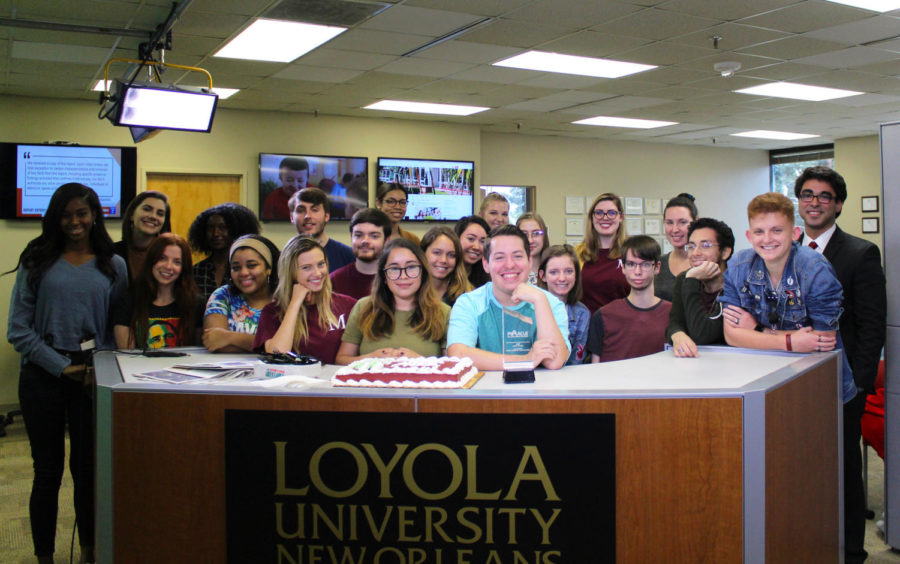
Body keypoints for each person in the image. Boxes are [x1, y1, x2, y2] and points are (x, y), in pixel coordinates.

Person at [7, 183, 128, 564]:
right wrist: (62, 367)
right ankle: (44, 556)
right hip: (43, 377)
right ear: (54, 218)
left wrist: (99, 367)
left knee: (87, 471)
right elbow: (18, 329)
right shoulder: (36, 259)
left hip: (92, 377)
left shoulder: (114, 264)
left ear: (95, 215)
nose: (74, 222)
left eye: (82, 213)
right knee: (47, 472)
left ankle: (90, 552)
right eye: (66, 214)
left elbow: (116, 326)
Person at [794, 166, 886, 564]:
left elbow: (870, 325)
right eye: (807, 195)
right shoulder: (784, 249)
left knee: (844, 466)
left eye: (824, 196)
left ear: (839, 205)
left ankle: (850, 549)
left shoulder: (860, 253)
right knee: (800, 463)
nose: (814, 202)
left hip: (842, 383)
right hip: (792, 380)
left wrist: (861, 385)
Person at [719, 193, 856, 402]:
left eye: (776, 230)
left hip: (818, 384)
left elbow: (821, 342)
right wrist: (790, 341)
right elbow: (732, 336)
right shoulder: (738, 266)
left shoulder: (815, 270)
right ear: (749, 236)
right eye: (759, 231)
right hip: (762, 380)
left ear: (794, 233)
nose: (767, 239)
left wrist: (758, 330)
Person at [447, 225, 570, 371]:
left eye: (517, 256)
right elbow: (458, 355)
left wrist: (539, 300)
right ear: (486, 264)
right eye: (499, 257)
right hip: (485, 392)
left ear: (530, 261)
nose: (510, 265)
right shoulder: (469, 303)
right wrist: (524, 361)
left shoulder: (550, 303)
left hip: (537, 391)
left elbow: (555, 362)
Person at [336, 238, 450, 363]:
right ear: (384, 276)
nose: (403, 276)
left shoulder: (443, 312)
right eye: (394, 269)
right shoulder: (364, 307)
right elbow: (341, 360)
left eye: (411, 267)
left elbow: (451, 366)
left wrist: (420, 362)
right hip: (371, 382)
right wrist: (370, 359)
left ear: (422, 272)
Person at [253, 236, 356, 364]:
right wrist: (295, 303)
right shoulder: (272, 312)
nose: (318, 273)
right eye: (306, 268)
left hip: (335, 381)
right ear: (290, 272)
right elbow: (279, 353)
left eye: (321, 264)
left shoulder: (349, 305)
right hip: (296, 381)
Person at [587, 235, 672, 362]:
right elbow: (595, 369)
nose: (638, 271)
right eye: (631, 264)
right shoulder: (603, 316)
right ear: (623, 267)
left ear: (657, 267)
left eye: (645, 264)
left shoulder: (673, 313)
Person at [114, 233, 203, 349]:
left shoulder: (196, 304)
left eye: (177, 262)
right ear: (151, 260)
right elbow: (126, 356)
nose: (168, 266)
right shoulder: (128, 301)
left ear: (184, 268)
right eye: (162, 258)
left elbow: (201, 354)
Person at [667, 218, 735, 358]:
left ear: (725, 252)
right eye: (691, 246)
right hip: (692, 362)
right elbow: (675, 322)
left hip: (728, 362)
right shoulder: (684, 279)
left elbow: (703, 335)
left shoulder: (735, 284)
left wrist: (691, 280)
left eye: (705, 245)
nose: (695, 253)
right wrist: (677, 334)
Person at [202, 235, 280, 353]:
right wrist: (266, 345)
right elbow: (214, 342)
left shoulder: (284, 298)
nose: (243, 273)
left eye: (252, 265)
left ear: (268, 267)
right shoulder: (223, 295)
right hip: (227, 370)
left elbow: (286, 347)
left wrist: (229, 337)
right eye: (236, 267)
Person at [188, 203, 260, 301]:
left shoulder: (246, 271)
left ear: (236, 230)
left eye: (223, 227)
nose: (216, 233)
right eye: (210, 228)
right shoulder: (196, 271)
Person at [577, 193, 630, 313]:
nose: (605, 218)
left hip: (624, 326)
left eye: (611, 213)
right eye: (599, 213)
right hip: (587, 328)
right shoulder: (577, 253)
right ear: (592, 217)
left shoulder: (632, 252)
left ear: (621, 217)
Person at [538, 245, 589, 365]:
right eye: (554, 272)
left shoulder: (582, 313)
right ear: (543, 276)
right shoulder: (530, 307)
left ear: (576, 274)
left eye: (569, 271)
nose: (562, 278)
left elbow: (576, 361)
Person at [330, 208, 391, 300]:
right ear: (351, 237)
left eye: (374, 236)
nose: (365, 241)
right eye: (358, 235)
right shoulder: (333, 281)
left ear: (386, 240)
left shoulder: (397, 280)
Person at [289, 187, 353, 272]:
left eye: (314, 210)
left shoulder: (348, 256)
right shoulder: (283, 258)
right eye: (301, 210)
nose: (308, 216)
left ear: (326, 216)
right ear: (292, 217)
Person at [113, 190, 171, 282]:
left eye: (160, 214)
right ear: (132, 214)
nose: (153, 216)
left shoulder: (170, 255)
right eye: (147, 209)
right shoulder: (111, 253)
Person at [655, 193, 698, 301]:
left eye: (682, 222)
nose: (675, 229)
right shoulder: (658, 264)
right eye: (669, 222)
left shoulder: (706, 264)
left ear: (696, 222)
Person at [420, 226, 472, 306]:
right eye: (437, 253)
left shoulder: (467, 296)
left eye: (451, 255)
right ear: (423, 253)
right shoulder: (411, 291)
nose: (443, 260)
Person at [454, 215, 491, 288]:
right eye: (471, 239)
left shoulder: (487, 278)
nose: (476, 247)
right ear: (457, 238)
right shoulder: (445, 272)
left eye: (482, 241)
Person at [516, 212, 549, 285]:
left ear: (544, 236)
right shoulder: (511, 271)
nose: (530, 240)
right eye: (524, 234)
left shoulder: (554, 270)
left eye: (536, 233)